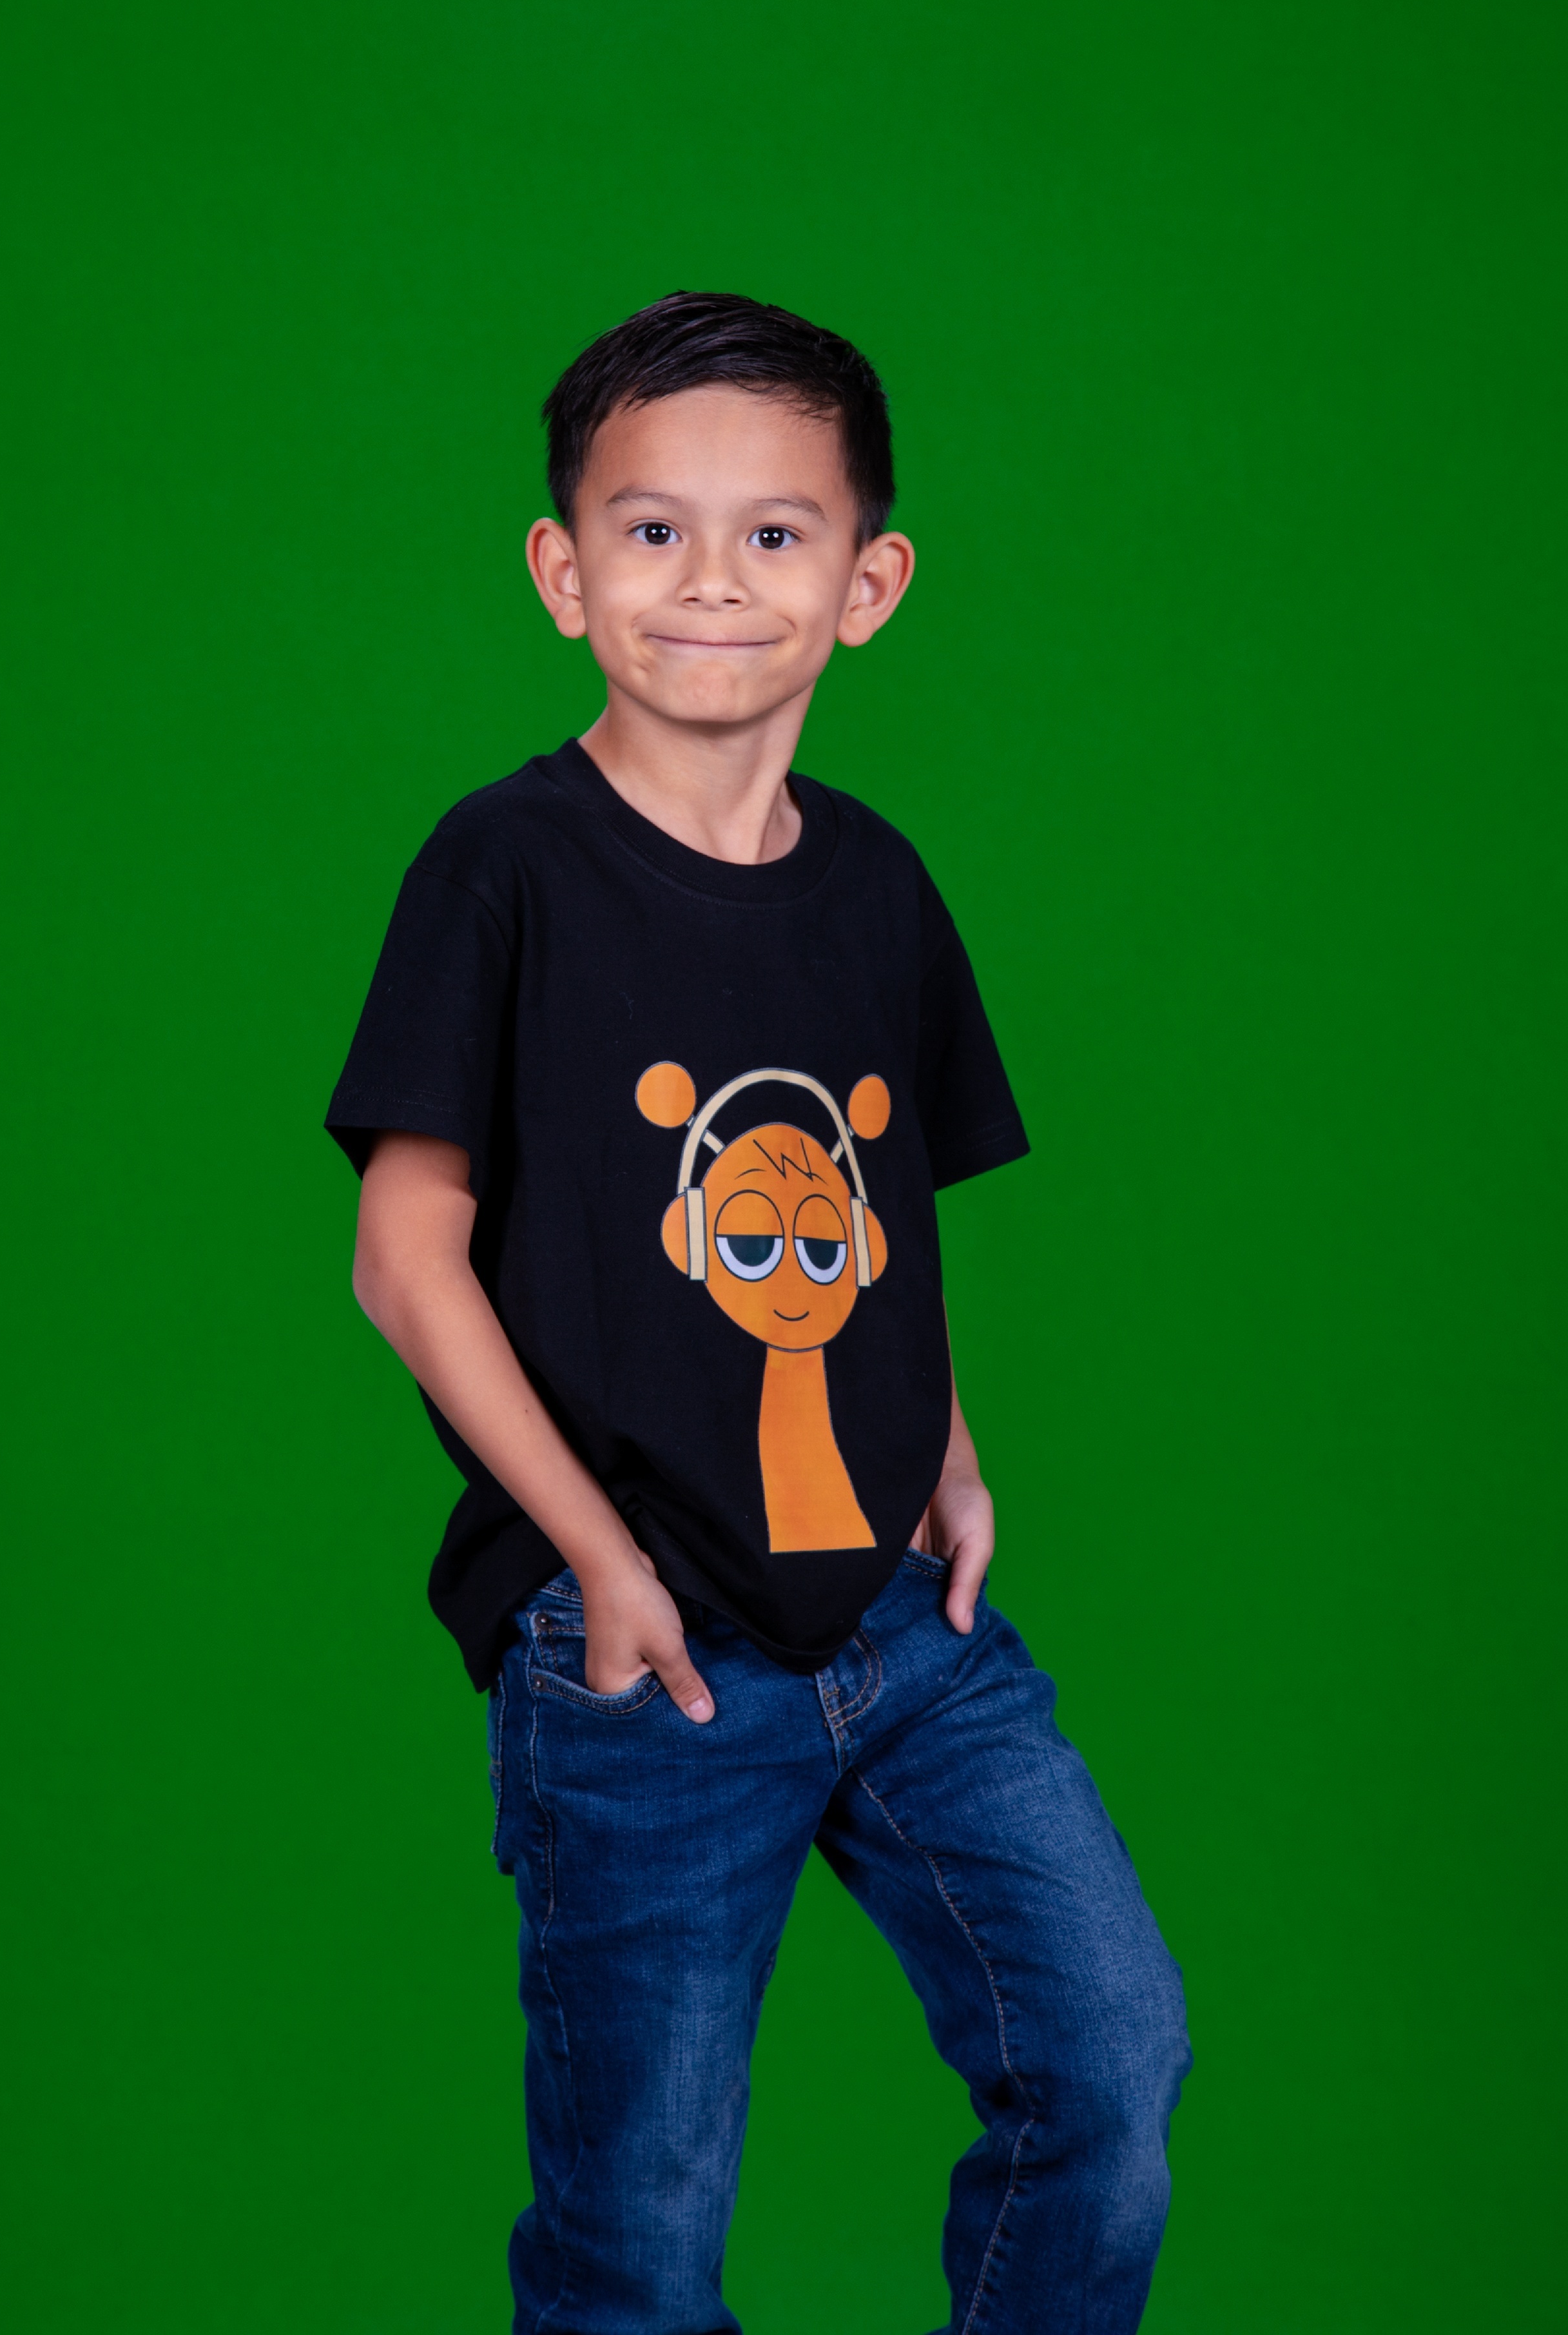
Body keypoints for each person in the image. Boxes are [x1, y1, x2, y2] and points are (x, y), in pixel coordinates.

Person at [327, 292, 1190, 2334]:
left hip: (904, 1624)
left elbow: (882, 1209)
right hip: (650, 1657)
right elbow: (402, 1257)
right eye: (652, 530)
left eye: (775, 533)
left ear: (868, 585)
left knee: (1106, 2065)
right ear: (563, 572)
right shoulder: (504, 870)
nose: (711, 579)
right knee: (638, 2233)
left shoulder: (877, 884)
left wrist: (949, 1451)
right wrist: (601, 1566)